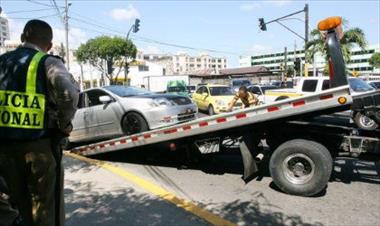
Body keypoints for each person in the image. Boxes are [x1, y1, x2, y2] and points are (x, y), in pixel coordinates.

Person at [0, 19, 79, 226]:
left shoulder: (2, 62)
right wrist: (64, 124)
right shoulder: (48, 62)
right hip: (39, 148)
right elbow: (69, 94)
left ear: (22, 38)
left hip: (4, 150)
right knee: (44, 207)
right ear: (49, 45)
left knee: (16, 203)